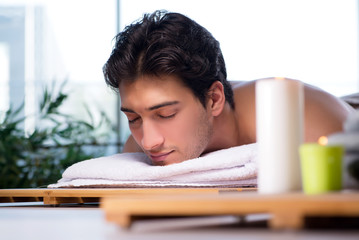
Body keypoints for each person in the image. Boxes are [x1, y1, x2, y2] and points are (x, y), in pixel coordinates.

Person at [103, 10, 354, 166]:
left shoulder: (301, 118)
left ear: (214, 99)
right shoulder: (136, 146)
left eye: (166, 114)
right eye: (133, 118)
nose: (148, 142)